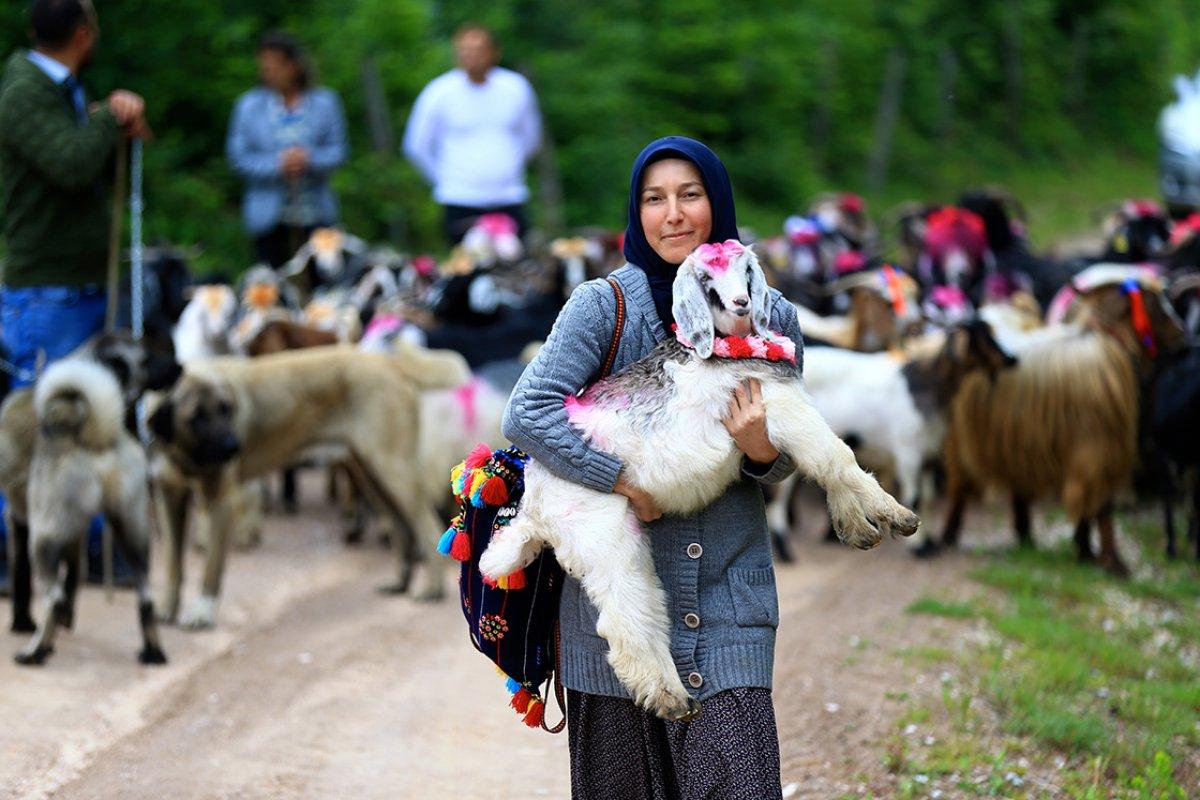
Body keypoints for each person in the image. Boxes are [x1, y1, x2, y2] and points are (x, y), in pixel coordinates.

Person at [502, 136, 802, 799]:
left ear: (716, 205)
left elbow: (786, 459)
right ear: (635, 213)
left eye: (690, 196)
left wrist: (759, 449)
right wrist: (619, 482)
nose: (673, 214)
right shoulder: (603, 306)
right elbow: (526, 414)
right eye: (654, 199)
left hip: (729, 604)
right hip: (615, 628)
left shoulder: (770, 312)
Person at [0, 0, 149, 591]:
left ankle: (81, 544)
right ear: (83, 35)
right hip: (45, 289)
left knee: (83, 419)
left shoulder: (57, 88)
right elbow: (66, 162)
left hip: (75, 285)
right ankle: (15, 547)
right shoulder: (22, 90)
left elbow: (77, 152)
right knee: (35, 420)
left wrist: (111, 122)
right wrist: (109, 120)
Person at [402, 23, 542, 245]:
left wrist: (509, 168)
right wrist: (446, 180)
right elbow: (417, 146)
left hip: (509, 197)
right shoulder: (439, 92)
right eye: (465, 50)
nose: (472, 56)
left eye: (479, 49)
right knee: (465, 270)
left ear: (495, 52)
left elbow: (532, 139)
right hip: (460, 200)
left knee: (516, 269)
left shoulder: (515, 88)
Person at [226, 32, 347, 268]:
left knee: (323, 284)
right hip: (268, 217)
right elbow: (238, 158)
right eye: (264, 66)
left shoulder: (325, 102)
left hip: (317, 214)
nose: (268, 71)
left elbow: (338, 151)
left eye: (275, 65)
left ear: (294, 66)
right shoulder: (248, 106)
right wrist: (277, 164)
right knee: (272, 282)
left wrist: (308, 160)